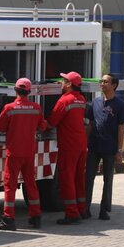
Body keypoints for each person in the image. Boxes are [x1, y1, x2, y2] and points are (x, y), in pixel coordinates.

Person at [0, 78, 47, 231]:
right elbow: (43, 126)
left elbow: (0, 127)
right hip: (29, 152)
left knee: (10, 186)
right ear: (29, 92)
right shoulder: (36, 108)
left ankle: (8, 219)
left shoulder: (9, 108)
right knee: (31, 184)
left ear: (15, 90)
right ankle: (36, 218)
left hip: (14, 152)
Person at [84, 73, 124, 221]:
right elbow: (90, 124)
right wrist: (85, 143)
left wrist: (119, 150)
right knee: (88, 178)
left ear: (114, 85)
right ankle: (85, 209)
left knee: (107, 179)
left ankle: (104, 210)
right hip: (94, 147)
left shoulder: (120, 105)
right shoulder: (94, 102)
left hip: (110, 148)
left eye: (105, 82)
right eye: (101, 81)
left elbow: (121, 128)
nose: (102, 84)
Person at [47, 71, 88, 225]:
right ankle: (82, 209)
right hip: (81, 143)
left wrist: (37, 124)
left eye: (63, 80)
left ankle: (71, 214)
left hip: (69, 145)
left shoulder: (64, 100)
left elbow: (52, 121)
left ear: (70, 84)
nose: (61, 83)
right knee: (79, 178)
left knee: (67, 178)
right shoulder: (81, 99)